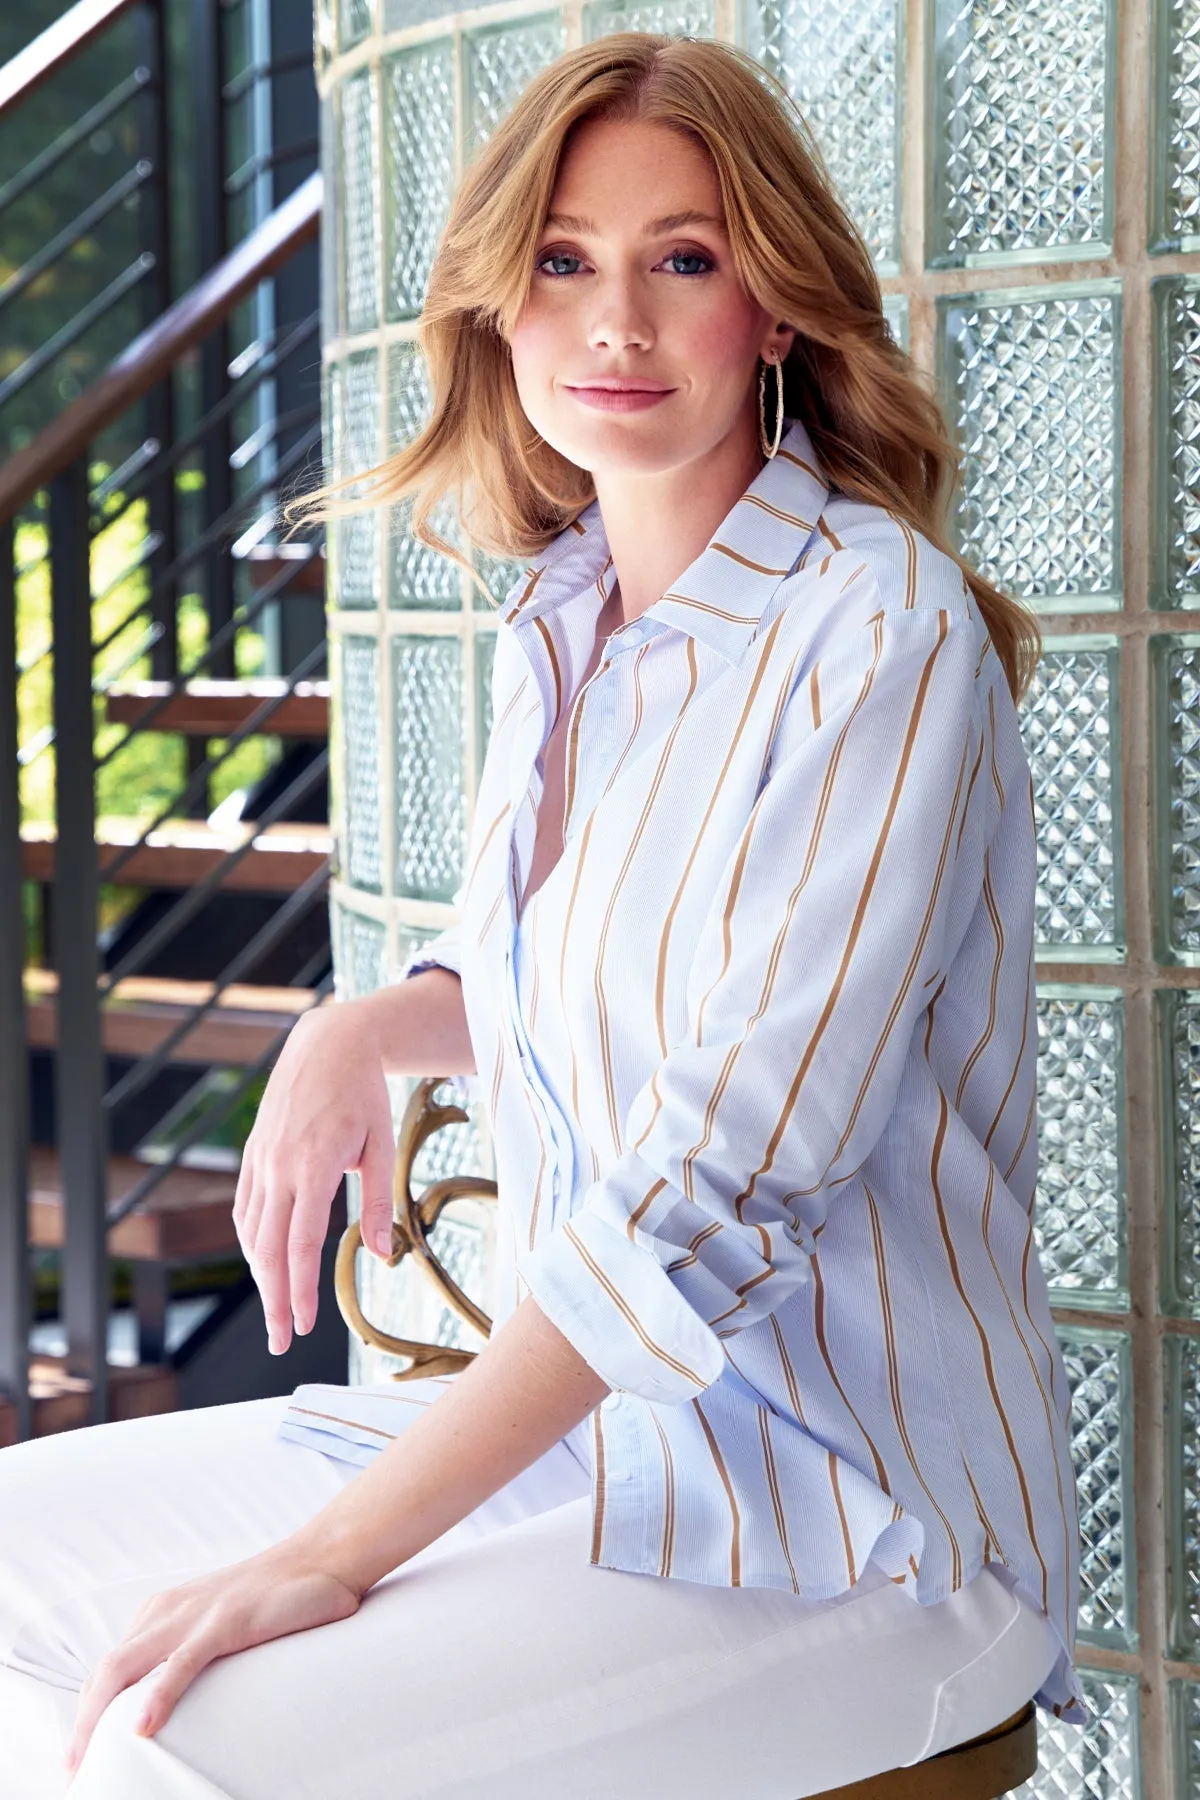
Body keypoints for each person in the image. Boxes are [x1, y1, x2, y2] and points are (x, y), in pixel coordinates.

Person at [0, 31, 1087, 1799]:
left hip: (853, 1520)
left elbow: (723, 1183)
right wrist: (372, 1018)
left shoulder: (876, 630)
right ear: (503, 307)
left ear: (780, 309)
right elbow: (573, 960)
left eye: (685, 261)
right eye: (565, 264)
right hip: (588, 1450)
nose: (617, 327)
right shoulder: (565, 620)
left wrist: (339, 1547)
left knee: (166, 1752)